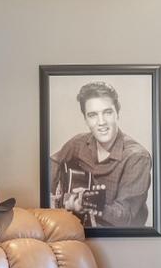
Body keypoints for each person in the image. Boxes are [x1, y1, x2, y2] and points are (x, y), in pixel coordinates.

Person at [50, 81, 153, 228]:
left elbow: (126, 217)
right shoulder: (78, 143)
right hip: (80, 230)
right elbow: (52, 164)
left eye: (107, 112)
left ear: (117, 113)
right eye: (92, 115)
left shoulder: (137, 157)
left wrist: (89, 204)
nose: (101, 122)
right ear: (86, 119)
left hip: (119, 238)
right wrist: (54, 199)